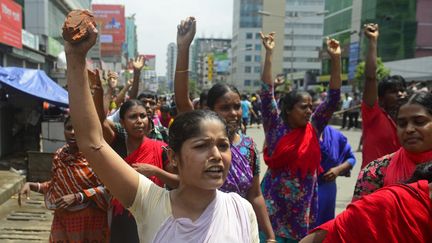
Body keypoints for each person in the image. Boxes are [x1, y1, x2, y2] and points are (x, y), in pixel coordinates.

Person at [64, 16, 259, 243]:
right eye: (201, 146)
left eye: (222, 145)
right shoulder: (150, 202)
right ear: (173, 157)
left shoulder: (241, 211)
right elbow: (91, 142)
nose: (216, 155)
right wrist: (75, 57)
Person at [173, 17, 275, 242]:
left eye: (237, 106)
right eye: (225, 107)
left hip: (237, 229)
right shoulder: (195, 133)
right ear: (208, 109)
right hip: (198, 227)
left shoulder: (248, 147)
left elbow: (255, 195)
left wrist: (269, 235)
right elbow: (182, 100)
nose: (234, 113)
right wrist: (184, 47)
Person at [260, 31, 342, 242]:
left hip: (302, 207)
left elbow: (332, 100)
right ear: (288, 110)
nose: (309, 111)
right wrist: (269, 54)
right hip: (273, 204)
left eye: (311, 107)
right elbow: (266, 93)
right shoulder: (275, 127)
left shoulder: (313, 128)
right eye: (303, 107)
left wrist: (336, 59)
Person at [18, 116, 110, 242]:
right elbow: (57, 185)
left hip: (90, 222)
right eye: (68, 128)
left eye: (77, 128)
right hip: (63, 219)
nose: (72, 132)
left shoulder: (95, 156)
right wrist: (32, 185)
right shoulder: (59, 156)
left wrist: (78, 196)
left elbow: (107, 189)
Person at [300, 162, 432, 243]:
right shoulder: (386, 199)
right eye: (402, 123)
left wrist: (339, 169)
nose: (409, 129)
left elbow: (350, 158)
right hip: (306, 194)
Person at [353, 91, 432, 200]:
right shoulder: (375, 171)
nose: (409, 129)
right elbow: (359, 215)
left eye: (419, 121)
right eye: (402, 124)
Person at [361, 23, 407, 168]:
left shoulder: (410, 122)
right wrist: (373, 41)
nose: (400, 94)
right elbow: (370, 77)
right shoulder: (373, 114)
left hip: (400, 184)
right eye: (393, 91)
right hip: (373, 185)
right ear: (380, 99)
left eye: (402, 90)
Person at [315, 125, 356, 226]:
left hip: (328, 190)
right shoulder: (300, 133)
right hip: (306, 191)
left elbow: (351, 158)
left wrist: (338, 169)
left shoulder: (335, 135)